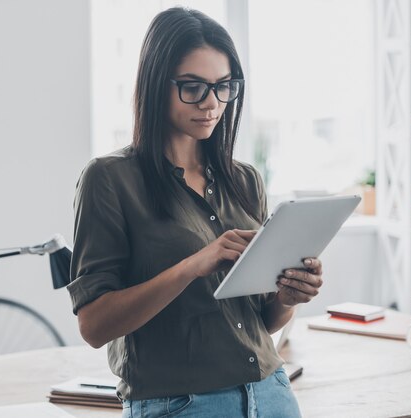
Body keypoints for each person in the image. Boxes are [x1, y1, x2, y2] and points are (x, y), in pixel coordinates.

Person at [68, 7, 323, 418]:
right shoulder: (109, 179)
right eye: (193, 87)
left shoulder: (244, 181)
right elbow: (93, 326)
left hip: (272, 393)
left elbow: (263, 321)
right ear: (155, 85)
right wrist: (193, 265)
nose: (212, 103)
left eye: (224, 87)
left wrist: (289, 296)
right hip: (180, 405)